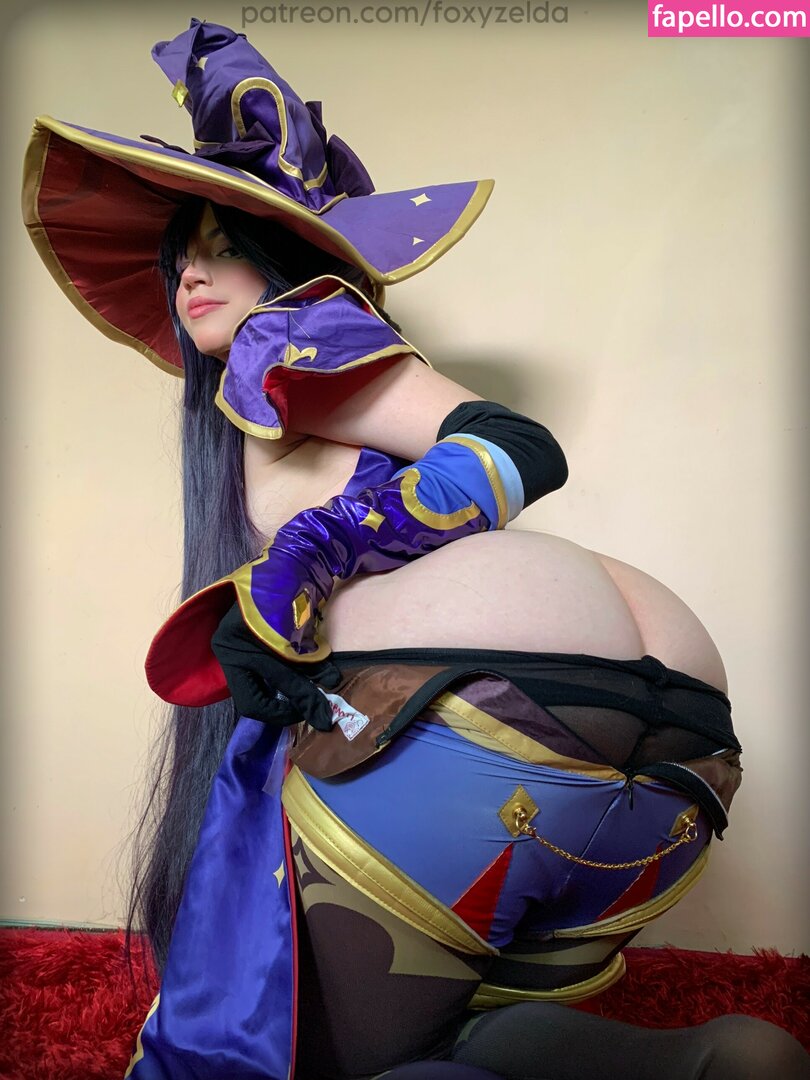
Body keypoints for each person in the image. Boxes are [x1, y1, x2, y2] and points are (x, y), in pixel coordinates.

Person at [22, 18, 808, 1080]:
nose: (192, 275)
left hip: (479, 718)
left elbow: (516, 444)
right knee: (456, 1036)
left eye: (225, 245)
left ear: (291, 260)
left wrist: (309, 556)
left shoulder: (293, 334)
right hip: (678, 754)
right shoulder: (276, 399)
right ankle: (707, 1063)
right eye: (181, 257)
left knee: (292, 1052)